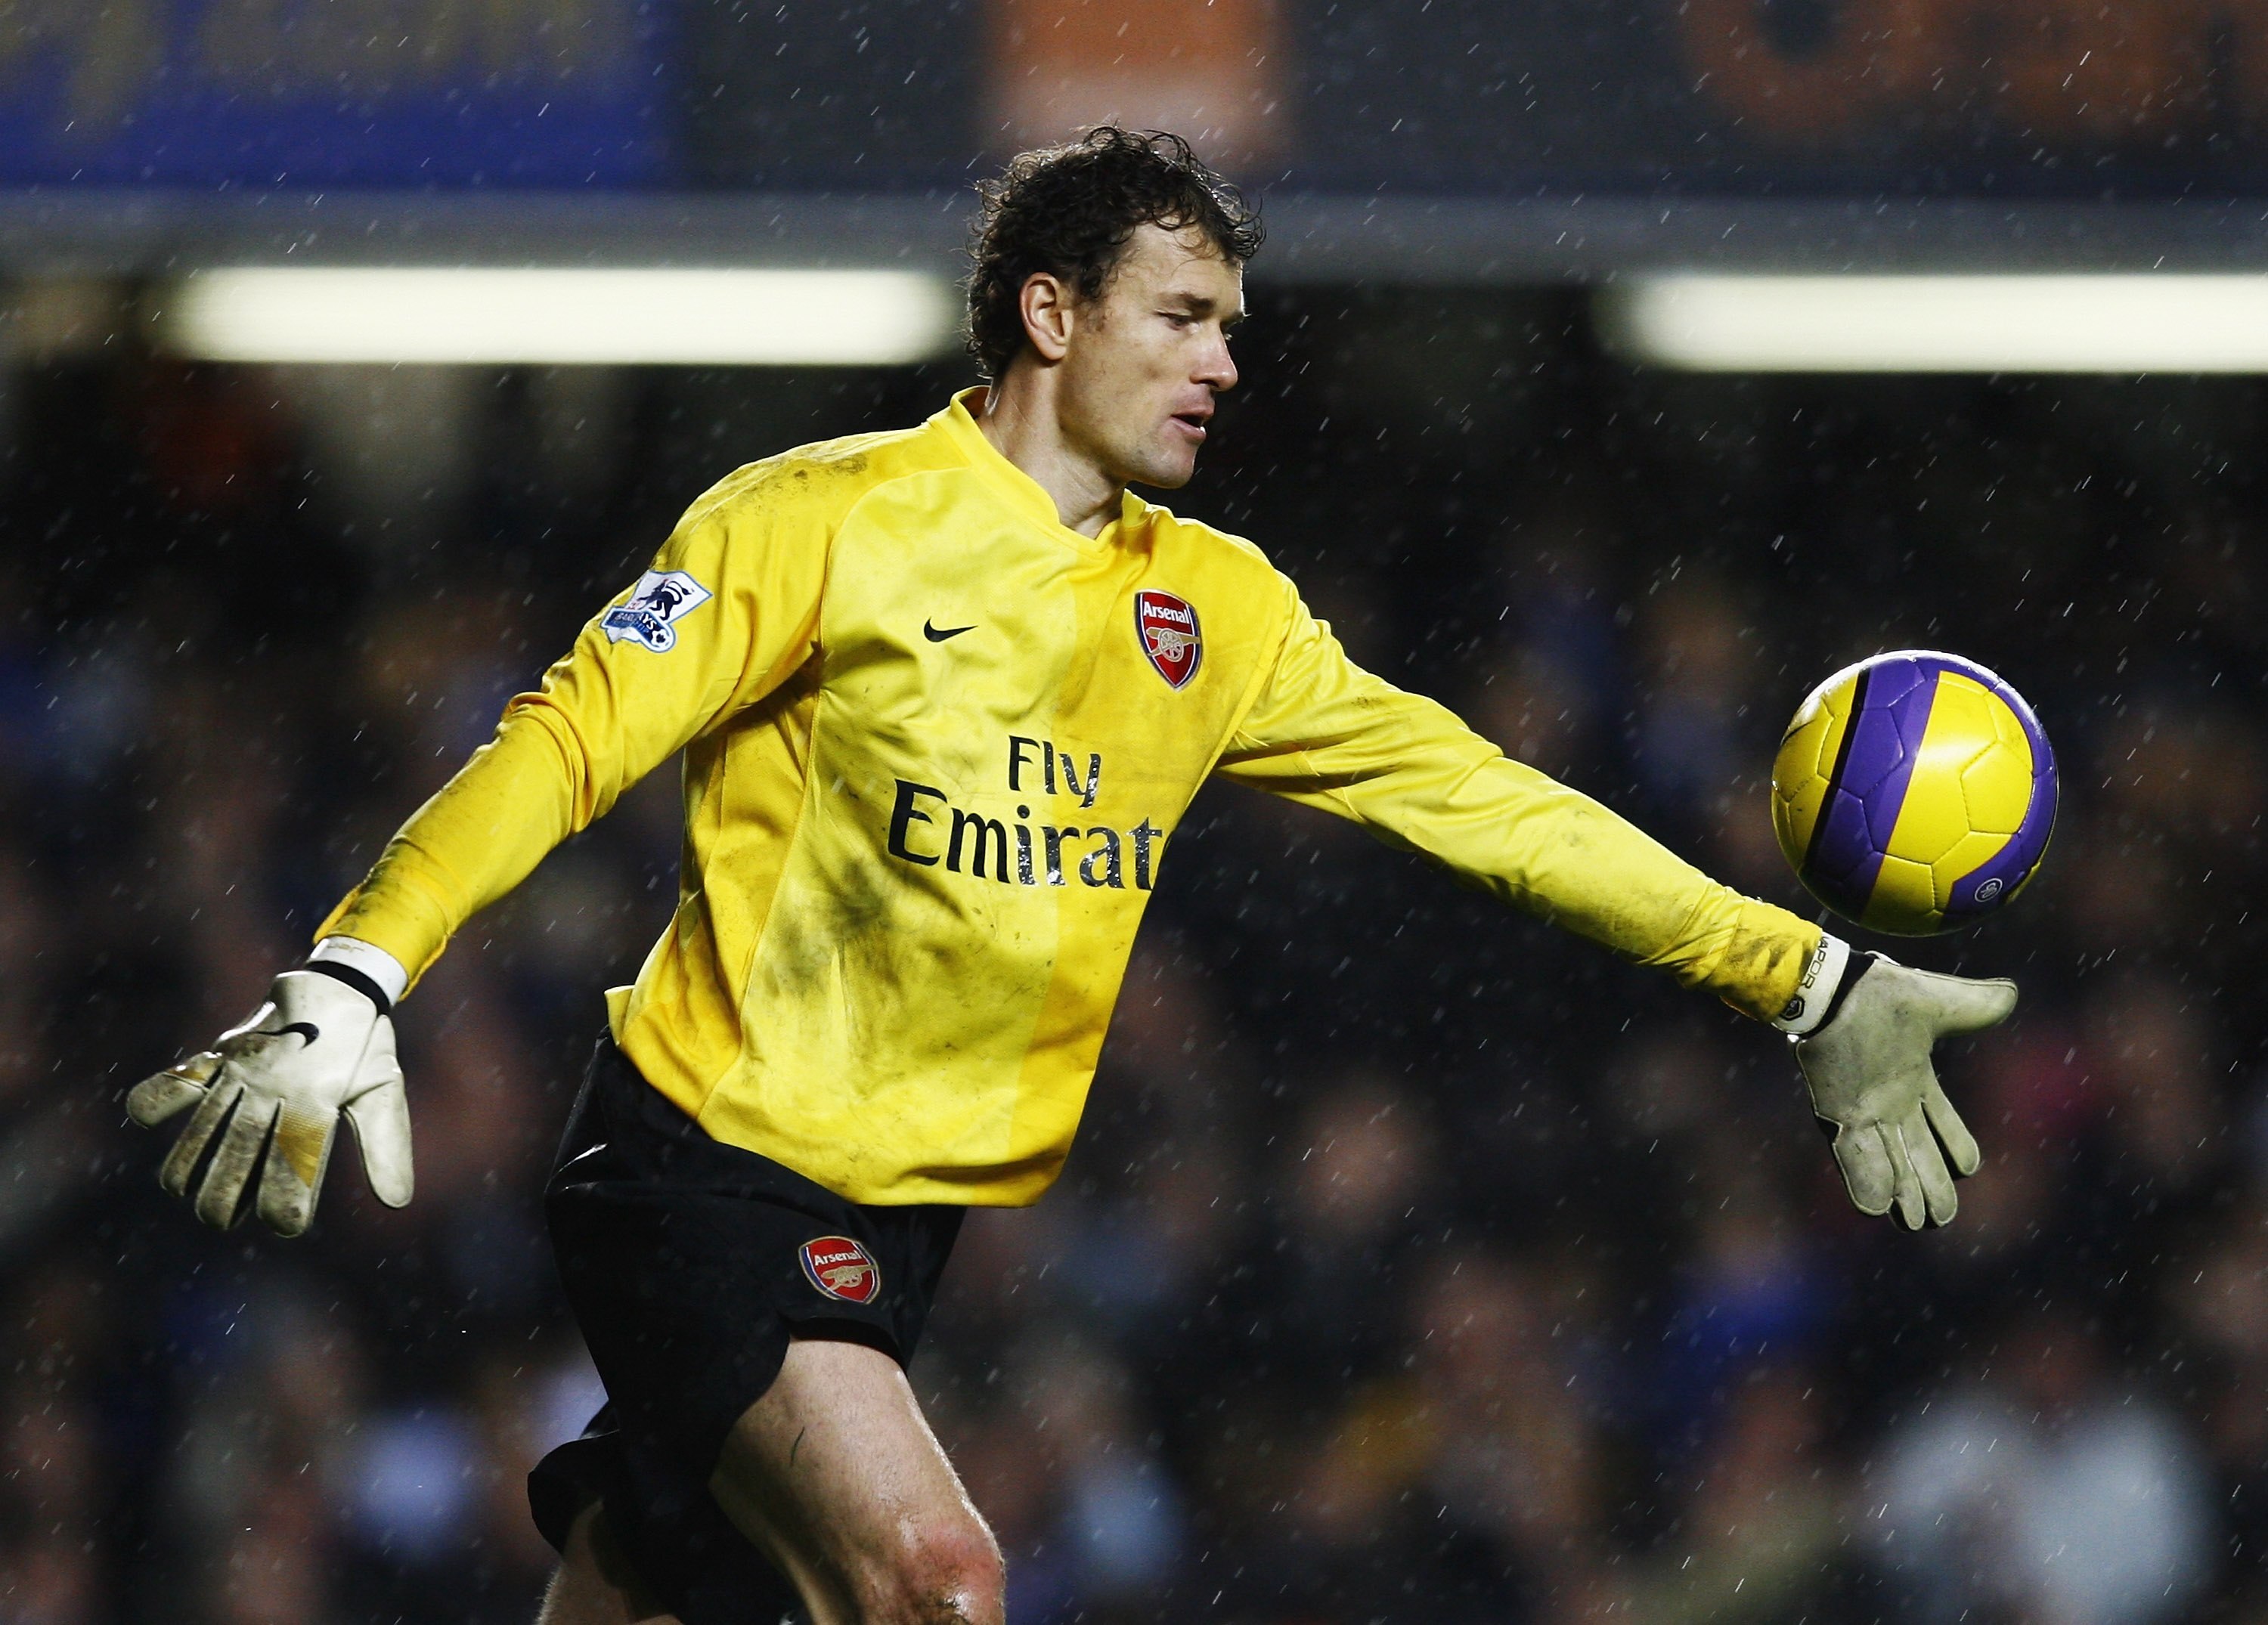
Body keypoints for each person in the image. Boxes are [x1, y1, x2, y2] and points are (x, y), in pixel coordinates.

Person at [123, 128, 2018, 1625]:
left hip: (907, 1214)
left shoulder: (1218, 611)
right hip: (702, 1159)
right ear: (1048, 314)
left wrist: (1807, 975)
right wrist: (360, 968)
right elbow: (564, 735)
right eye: (1181, 316)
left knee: (658, 1572)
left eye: (1232, 330)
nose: (1223, 361)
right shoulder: (820, 523)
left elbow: (1489, 802)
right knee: (937, 1580)